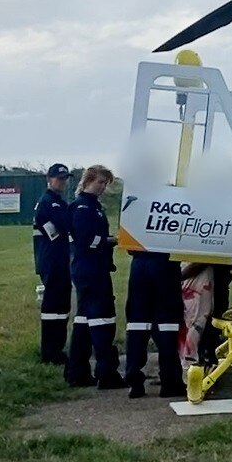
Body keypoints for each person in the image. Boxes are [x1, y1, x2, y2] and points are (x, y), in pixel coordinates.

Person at [64, 165, 126, 389]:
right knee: (103, 320)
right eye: (99, 182)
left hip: (90, 269)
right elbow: (85, 240)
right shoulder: (82, 208)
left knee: (83, 322)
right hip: (91, 270)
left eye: (105, 184)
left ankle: (77, 371)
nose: (102, 188)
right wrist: (109, 240)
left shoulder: (92, 206)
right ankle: (106, 372)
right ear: (88, 181)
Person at [124, 250, 186, 398]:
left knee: (137, 324)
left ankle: (134, 380)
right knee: (167, 324)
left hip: (139, 264)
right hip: (165, 262)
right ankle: (170, 381)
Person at [31, 163, 73, 365]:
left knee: (61, 307)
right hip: (51, 260)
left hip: (61, 260)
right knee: (53, 307)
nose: (62, 182)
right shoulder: (47, 202)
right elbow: (60, 228)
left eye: (65, 178)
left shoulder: (59, 201)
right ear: (49, 178)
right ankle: (50, 352)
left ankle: (57, 349)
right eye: (59, 178)